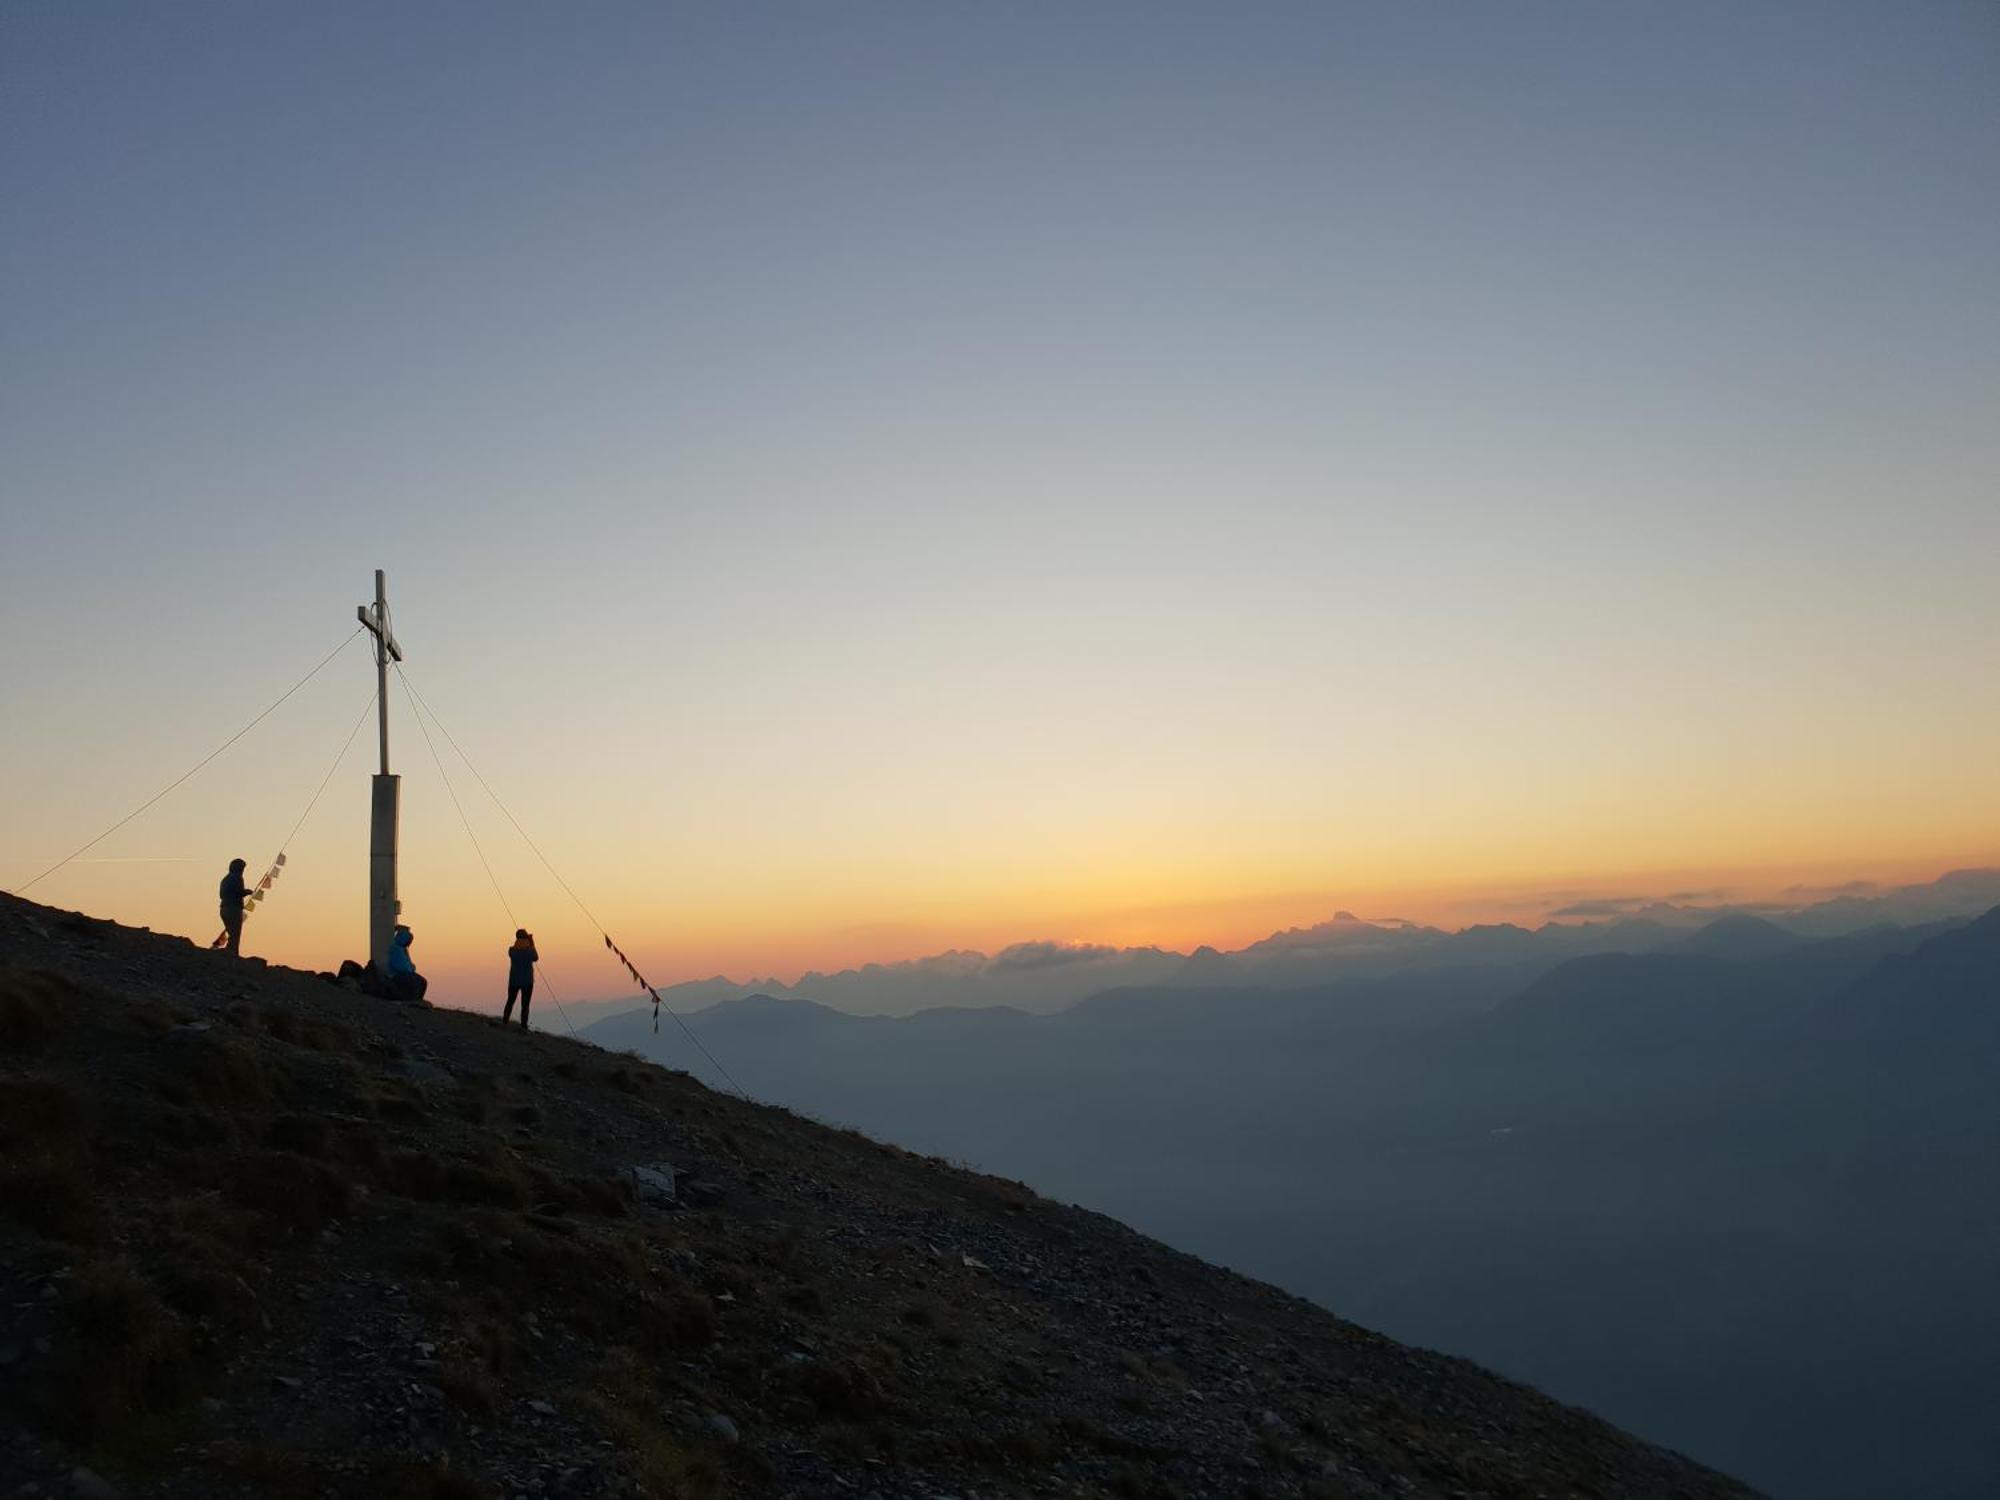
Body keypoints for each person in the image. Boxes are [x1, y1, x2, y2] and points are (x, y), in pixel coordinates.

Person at [503, 928, 538, 1029]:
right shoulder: (529, 951)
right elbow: (536, 958)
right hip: (527, 982)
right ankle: (523, 1026)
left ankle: (505, 1021)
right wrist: (532, 943)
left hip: (514, 980)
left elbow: (514, 951)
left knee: (510, 1001)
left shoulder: (512, 950)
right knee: (525, 1005)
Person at [385, 923, 428, 1002]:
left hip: (407, 973)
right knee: (413, 982)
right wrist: (410, 968)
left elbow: (408, 964)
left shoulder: (403, 950)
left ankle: (418, 1000)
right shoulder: (395, 949)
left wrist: (411, 968)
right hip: (397, 974)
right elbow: (398, 965)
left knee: (423, 981)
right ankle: (411, 999)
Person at [218, 857, 250, 955]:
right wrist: (247, 892)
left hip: (224, 908)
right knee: (235, 933)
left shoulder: (226, 879)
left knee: (232, 932)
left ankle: (231, 952)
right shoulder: (237, 878)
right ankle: (232, 953)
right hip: (233, 909)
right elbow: (238, 891)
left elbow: (221, 894)